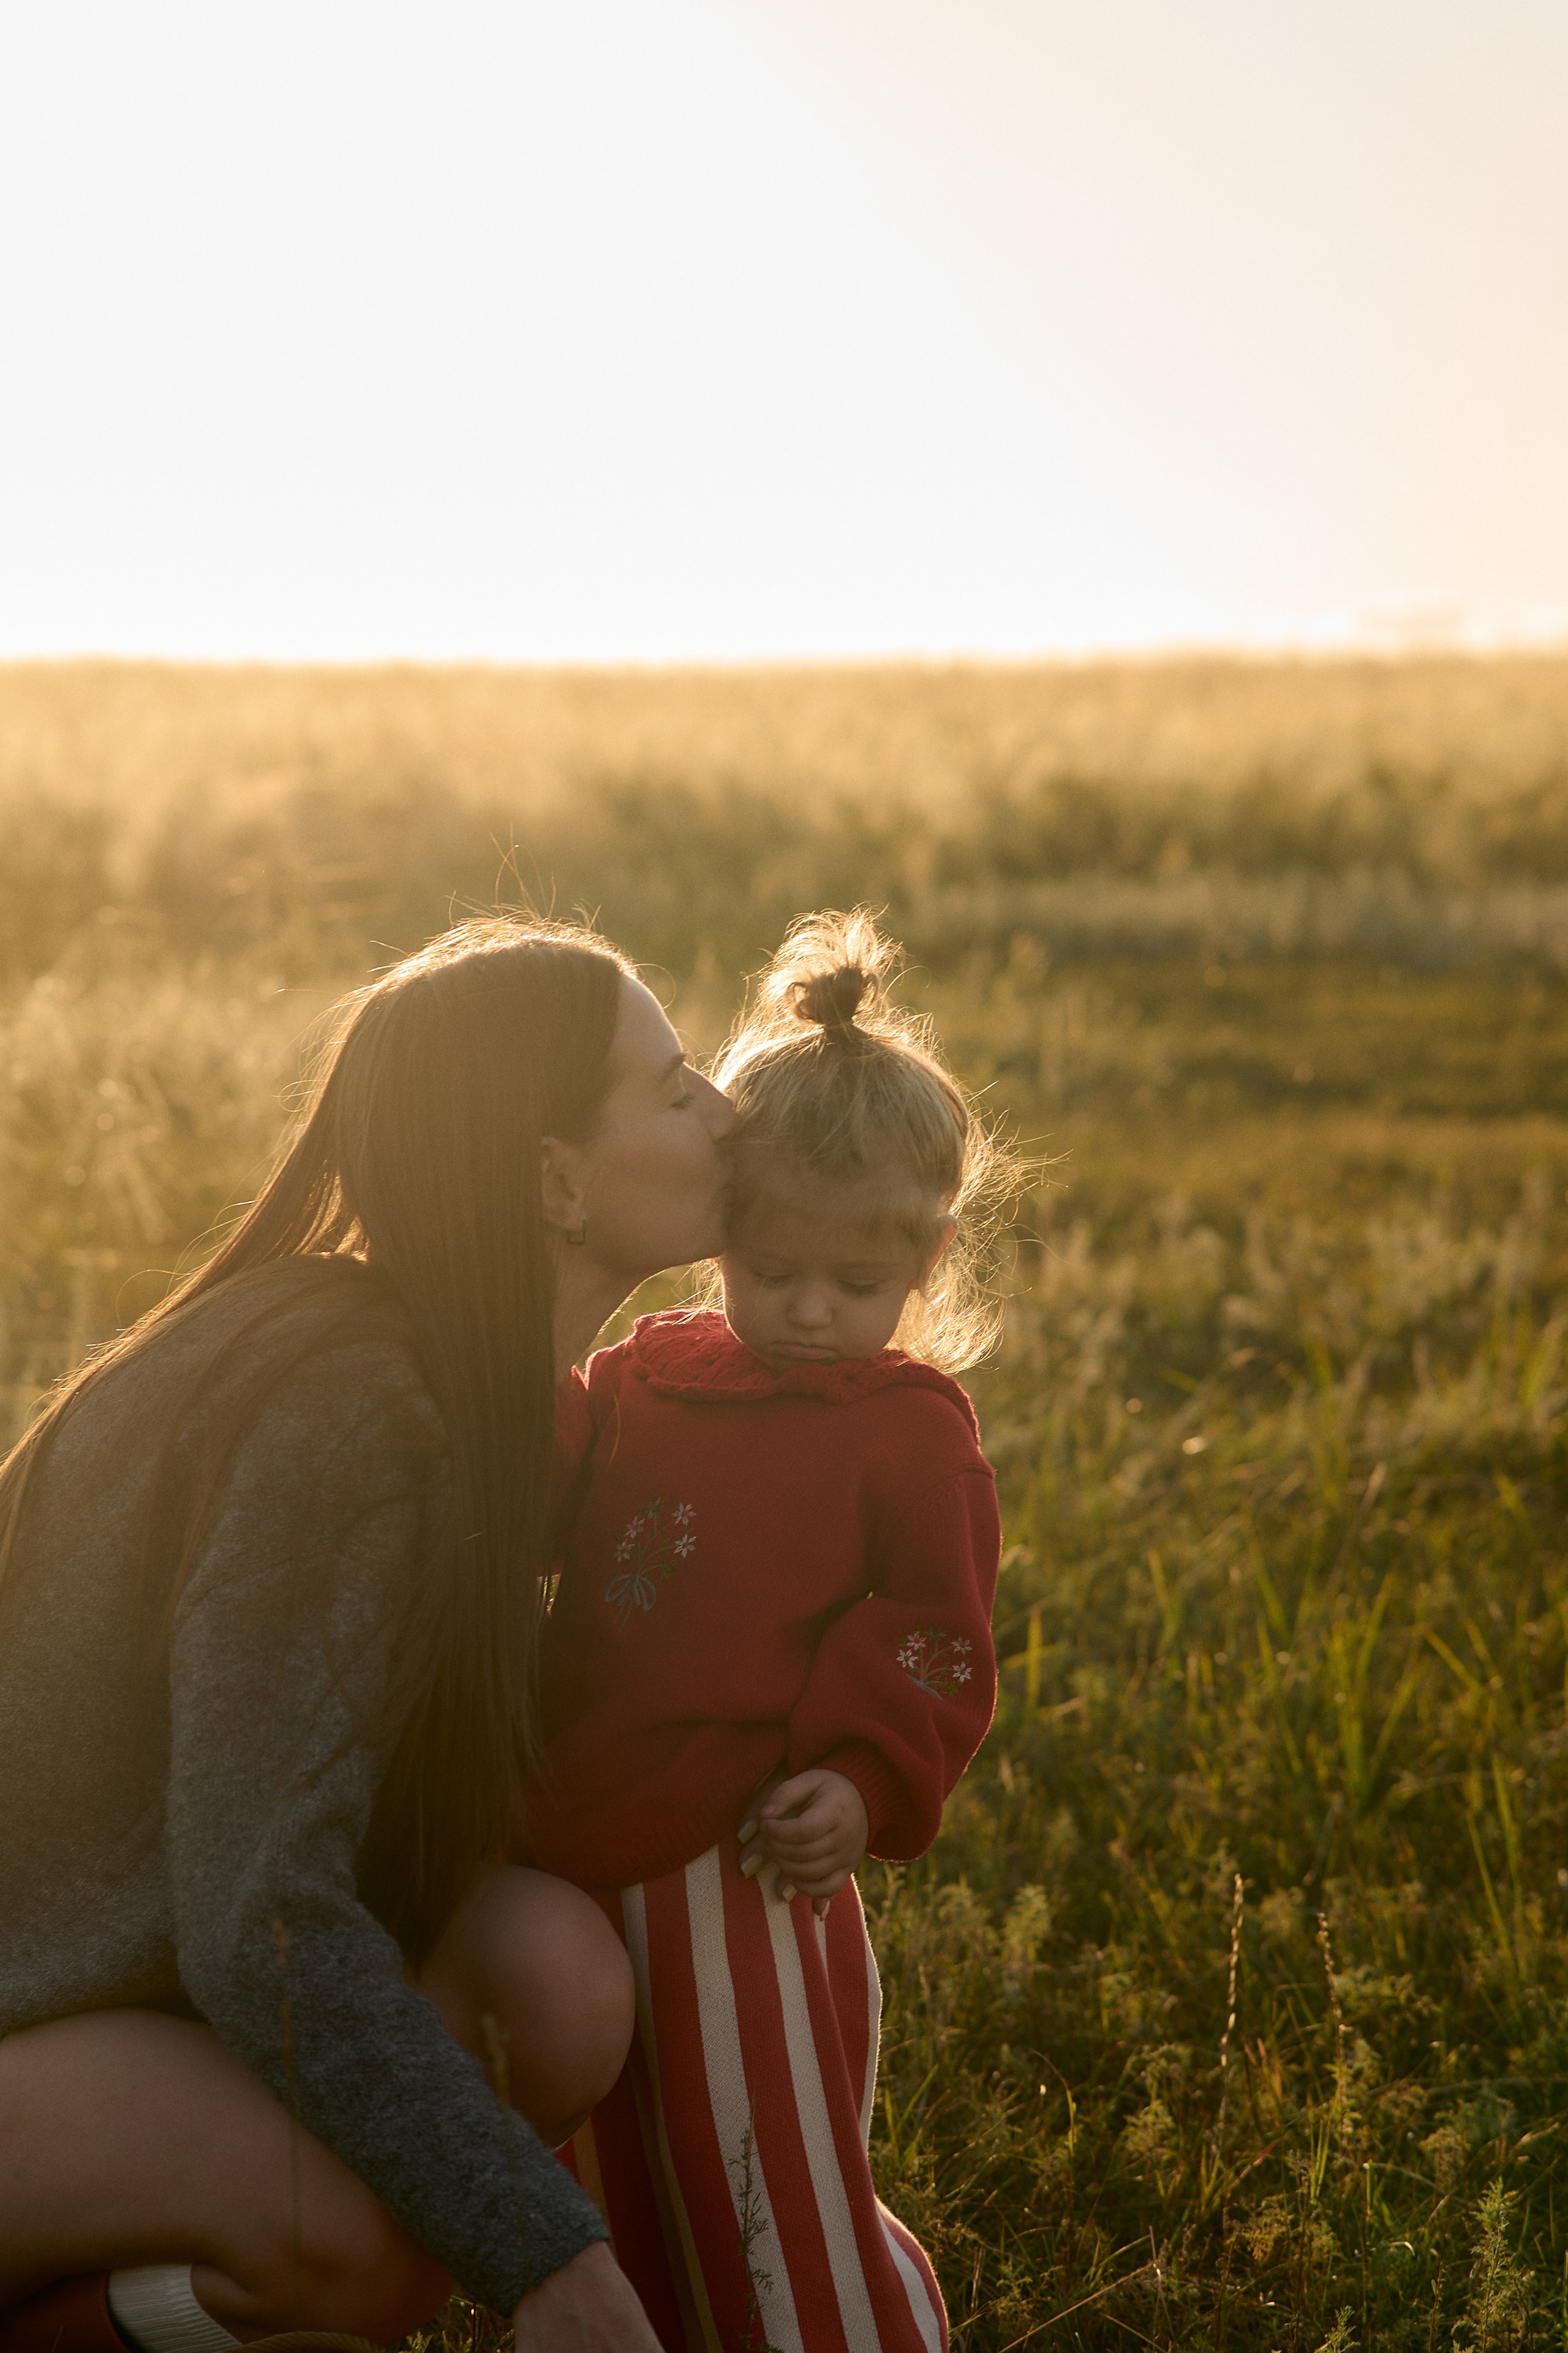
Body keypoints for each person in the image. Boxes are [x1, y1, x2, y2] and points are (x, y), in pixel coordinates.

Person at [0, 914, 736, 2353]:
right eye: (675, 1087)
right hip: (36, 2006)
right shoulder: (351, 1414)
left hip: (121, 1984)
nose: (727, 1111)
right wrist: (542, 2252)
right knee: (358, 2237)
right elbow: (258, 1915)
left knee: (550, 1976)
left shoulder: (458, 1381)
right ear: (555, 1181)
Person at [521, 912, 1010, 2353]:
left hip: (742, 1850)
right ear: (721, 1231)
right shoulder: (647, 1376)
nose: (804, 1312)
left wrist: (857, 1779)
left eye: (852, 1287)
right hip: (579, 1822)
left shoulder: (905, 1430)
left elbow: (933, 1632)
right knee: (613, 2151)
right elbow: (543, 1510)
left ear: (925, 1257)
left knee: (760, 2169)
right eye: (770, 1268)